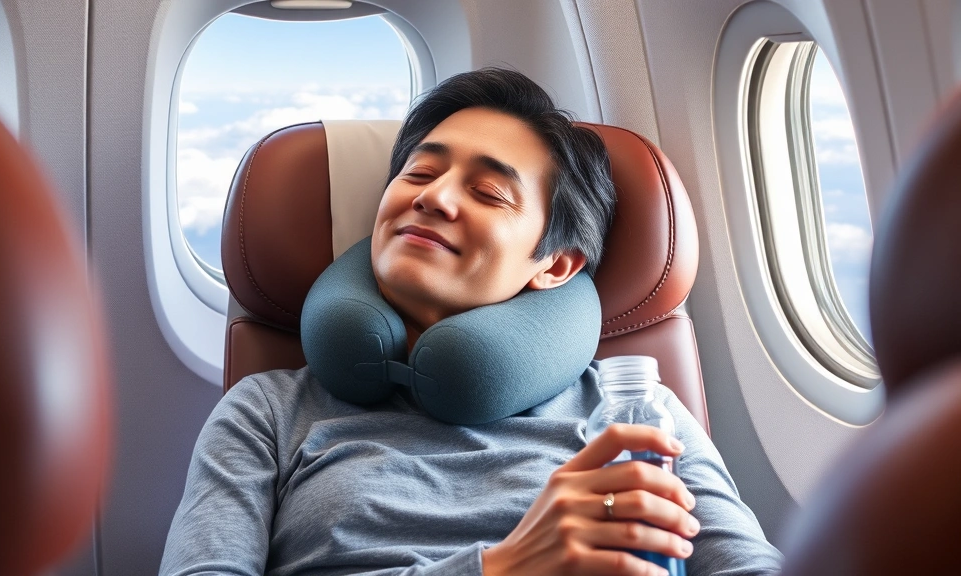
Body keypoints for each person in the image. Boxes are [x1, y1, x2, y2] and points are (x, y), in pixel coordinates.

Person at [159, 68, 783, 576]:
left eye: (489, 193)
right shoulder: (267, 413)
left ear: (557, 264)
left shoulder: (637, 417)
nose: (434, 197)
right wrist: (502, 568)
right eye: (420, 173)